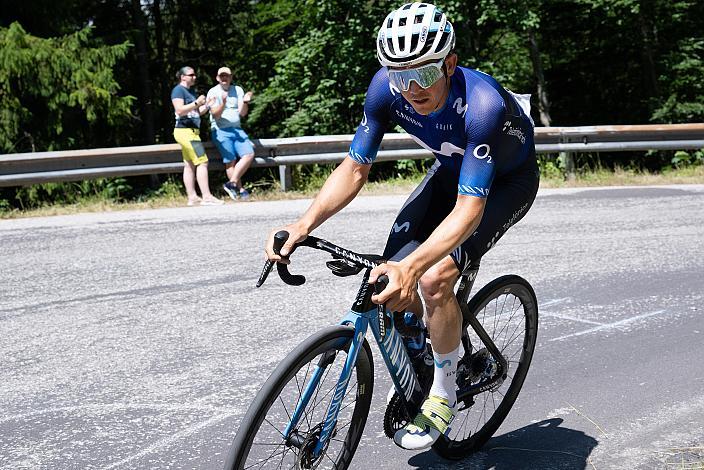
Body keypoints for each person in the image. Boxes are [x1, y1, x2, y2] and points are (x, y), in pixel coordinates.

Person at [264, 2, 539, 451]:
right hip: (451, 169)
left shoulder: (483, 105)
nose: (411, 88)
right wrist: (303, 222)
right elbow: (355, 167)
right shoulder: (385, 90)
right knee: (389, 276)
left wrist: (415, 267)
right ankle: (422, 348)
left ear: (449, 63)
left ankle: (443, 391)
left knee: (431, 277)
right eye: (399, 76)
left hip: (506, 185)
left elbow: (470, 209)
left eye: (425, 75)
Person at [171, 66, 224, 206]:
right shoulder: (178, 90)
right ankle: (207, 196)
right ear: (182, 77)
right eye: (191, 75)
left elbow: (195, 112)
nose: (194, 77)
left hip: (190, 131)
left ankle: (192, 197)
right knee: (203, 161)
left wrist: (206, 106)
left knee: (189, 164)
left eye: (195, 74)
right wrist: (196, 103)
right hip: (185, 131)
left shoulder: (190, 91)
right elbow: (180, 110)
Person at [207, 66, 255, 201]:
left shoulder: (238, 90)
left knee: (249, 154)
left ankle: (231, 183)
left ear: (230, 77)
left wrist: (246, 102)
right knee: (231, 161)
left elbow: (242, 113)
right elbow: (215, 115)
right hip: (220, 130)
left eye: (226, 76)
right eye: (221, 76)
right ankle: (239, 190)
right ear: (217, 78)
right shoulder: (213, 92)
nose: (224, 78)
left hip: (237, 129)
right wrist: (222, 102)